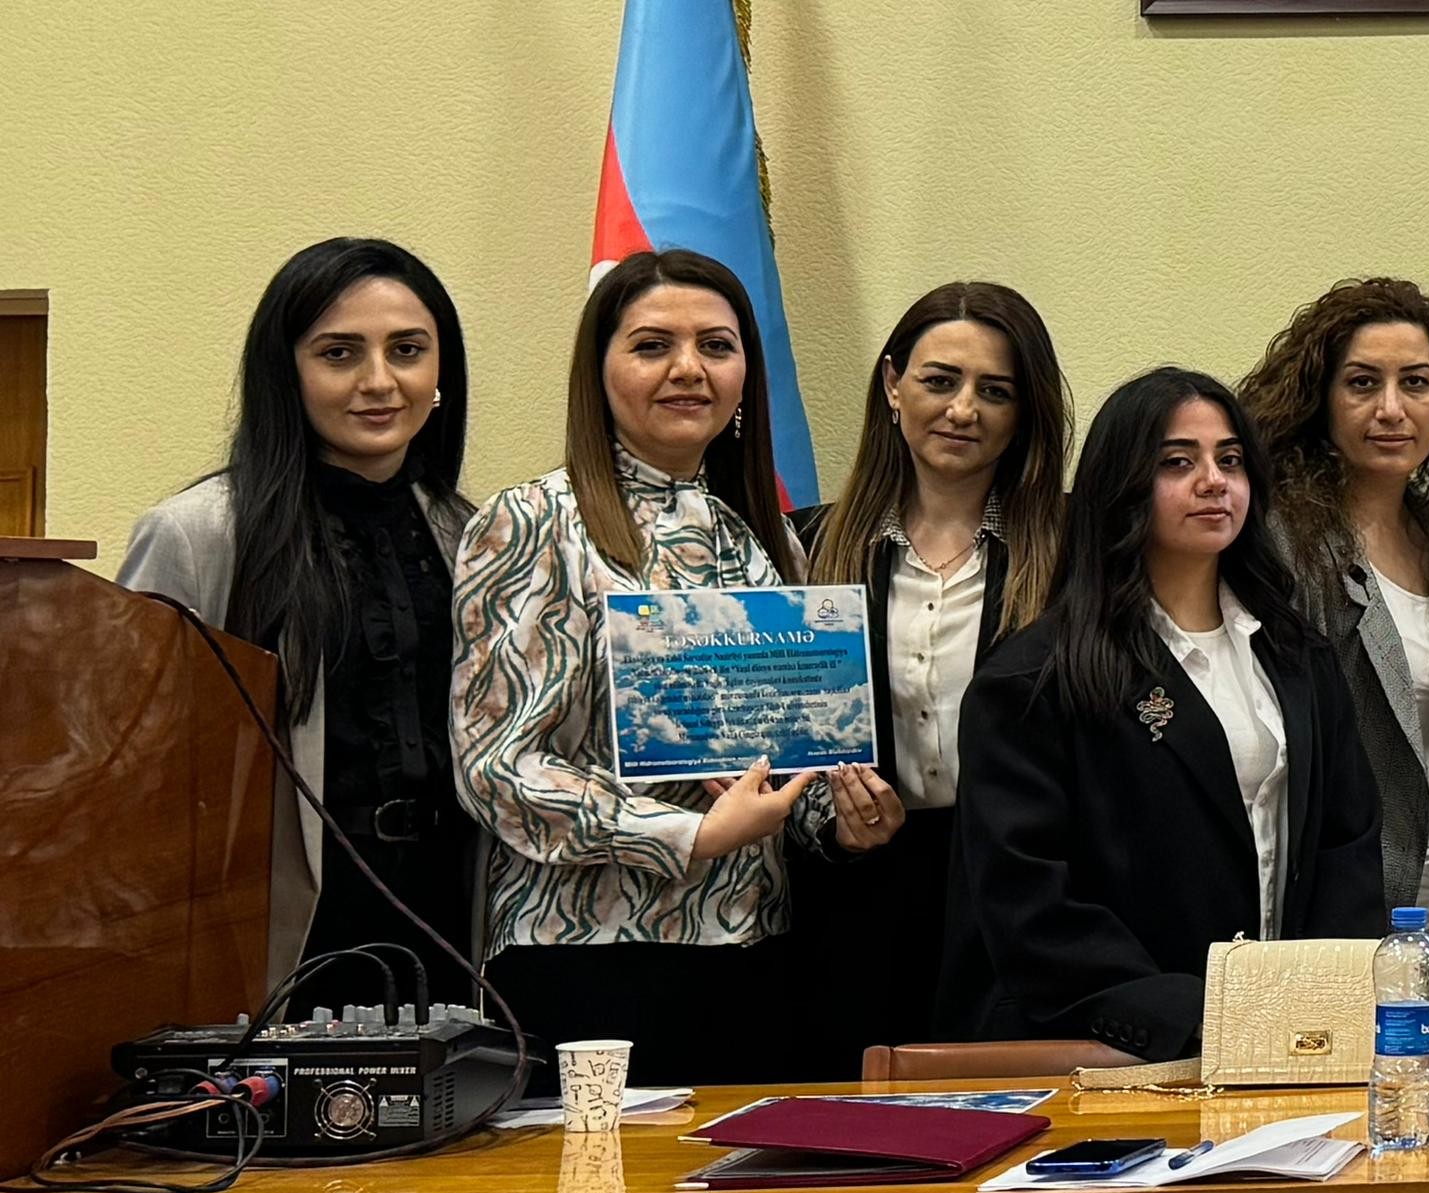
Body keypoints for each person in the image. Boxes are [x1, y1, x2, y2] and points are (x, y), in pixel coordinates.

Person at [450, 250, 905, 1083]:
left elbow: (778, 766)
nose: (689, 368)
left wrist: (841, 821)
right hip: (589, 959)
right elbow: (498, 770)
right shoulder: (533, 520)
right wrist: (688, 835)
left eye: (716, 346)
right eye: (653, 345)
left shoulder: (764, 536)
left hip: (756, 956)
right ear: (599, 370)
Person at [950, 369, 1387, 1059]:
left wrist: (1321, 997)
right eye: (1178, 462)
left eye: (1230, 460)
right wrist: (1195, 1017)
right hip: (1124, 1047)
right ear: (1121, 486)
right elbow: (1028, 898)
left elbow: (1348, 841)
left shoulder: (1298, 655)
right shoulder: (1033, 679)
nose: (1213, 482)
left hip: (1293, 1035)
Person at [120, 237, 479, 1005]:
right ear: (286, 372)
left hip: (447, 906)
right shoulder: (199, 534)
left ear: (441, 371)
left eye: (407, 350)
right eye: (339, 354)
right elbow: (131, 778)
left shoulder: (471, 534)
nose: (378, 381)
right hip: (283, 921)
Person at [791, 283, 1072, 1072]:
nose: (963, 409)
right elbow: (777, 735)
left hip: (1020, 894)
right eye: (940, 381)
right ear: (892, 384)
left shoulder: (1076, 552)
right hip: (861, 900)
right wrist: (831, 826)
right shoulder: (808, 546)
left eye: (996, 391)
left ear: (1025, 412)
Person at [1243, 275, 1429, 947]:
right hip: (1337, 902)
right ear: (1321, 399)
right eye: (1363, 383)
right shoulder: (1279, 542)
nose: (1392, 409)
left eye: (1415, 383)